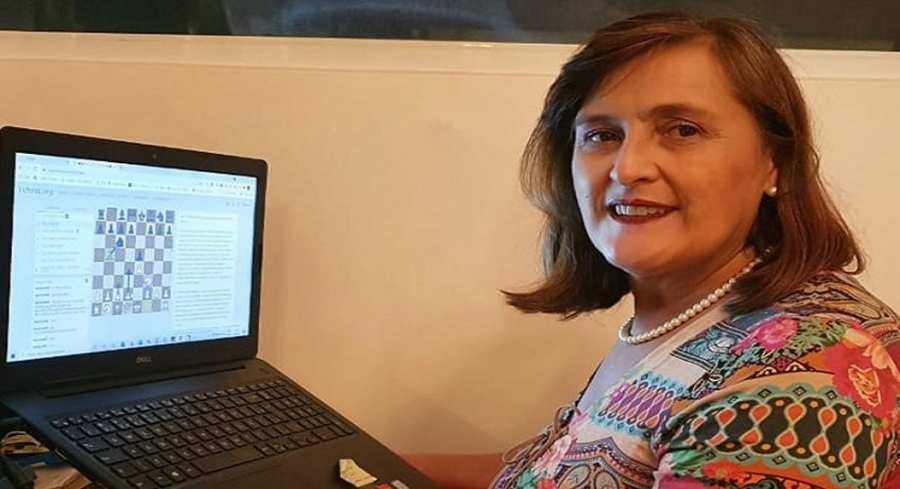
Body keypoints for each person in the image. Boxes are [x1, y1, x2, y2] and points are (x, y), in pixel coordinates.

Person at [406, 12, 900, 489]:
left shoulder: (802, 369)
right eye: (602, 135)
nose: (628, 168)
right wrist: (379, 464)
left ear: (777, 164)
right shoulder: (686, 316)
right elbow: (549, 470)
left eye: (683, 130)